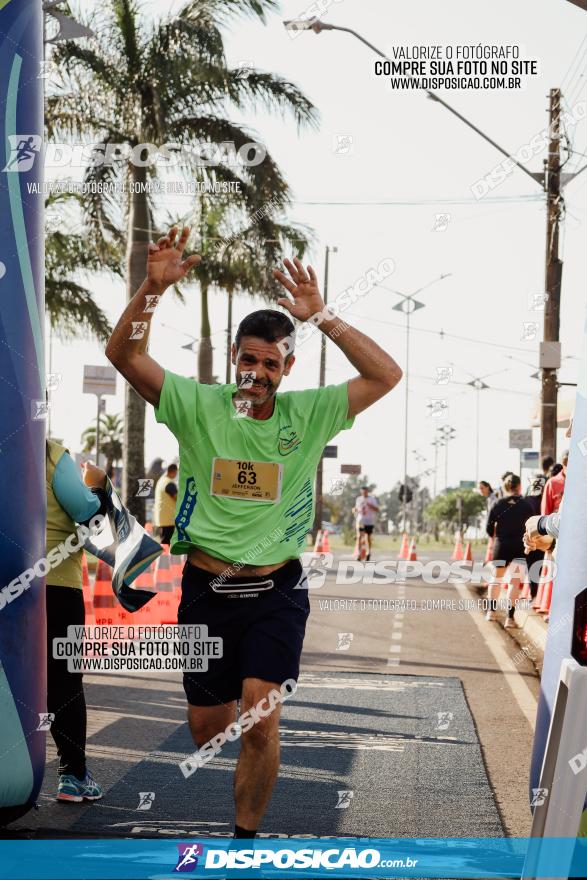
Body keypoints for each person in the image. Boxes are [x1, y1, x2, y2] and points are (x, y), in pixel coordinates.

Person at [105, 226, 403, 839]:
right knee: (206, 726)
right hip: (205, 589)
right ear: (234, 360)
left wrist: (321, 315)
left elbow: (386, 374)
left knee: (263, 718)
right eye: (249, 360)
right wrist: (152, 290)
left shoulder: (310, 412)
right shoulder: (196, 404)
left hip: (276, 591)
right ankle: (229, 719)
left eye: (270, 363)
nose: (257, 373)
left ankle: (246, 839)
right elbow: (125, 356)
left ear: (286, 367)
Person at [46, 441, 108, 801]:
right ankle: (73, 774)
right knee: (64, 683)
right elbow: (87, 512)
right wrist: (97, 485)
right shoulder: (51, 454)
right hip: (55, 584)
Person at [485, 473, 534, 628]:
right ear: (519, 487)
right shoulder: (526, 506)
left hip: (502, 546)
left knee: (496, 580)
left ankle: (491, 612)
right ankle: (510, 618)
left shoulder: (498, 504)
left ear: (505, 487)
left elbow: (488, 528)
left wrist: (497, 536)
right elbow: (532, 528)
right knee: (515, 582)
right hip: (519, 547)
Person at [523, 455, 554, 599]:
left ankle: (533, 593)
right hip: (543, 537)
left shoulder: (526, 499)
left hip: (530, 536)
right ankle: (537, 595)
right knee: (541, 566)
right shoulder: (544, 498)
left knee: (531, 566)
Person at [154, 462, 178, 545]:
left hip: (162, 518)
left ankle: (162, 557)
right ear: (173, 471)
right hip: (168, 519)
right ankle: (163, 557)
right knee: (166, 542)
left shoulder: (161, 480)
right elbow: (176, 497)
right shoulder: (169, 483)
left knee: (163, 541)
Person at [353, 486, 379, 561]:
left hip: (369, 521)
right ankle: (359, 554)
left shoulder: (372, 499)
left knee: (368, 537)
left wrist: (371, 506)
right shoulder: (359, 499)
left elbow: (377, 510)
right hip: (361, 520)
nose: (364, 493)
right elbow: (356, 508)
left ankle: (368, 552)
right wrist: (354, 510)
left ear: (368, 491)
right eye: (363, 492)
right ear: (361, 492)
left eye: (365, 491)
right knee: (359, 537)